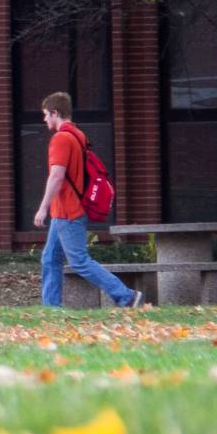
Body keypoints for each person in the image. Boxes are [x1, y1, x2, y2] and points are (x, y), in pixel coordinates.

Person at [34, 92, 143, 309]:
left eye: (46, 115)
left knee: (79, 261)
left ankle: (126, 296)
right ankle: (50, 308)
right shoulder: (77, 134)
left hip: (68, 211)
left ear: (55, 113)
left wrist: (42, 208)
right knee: (49, 258)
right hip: (65, 211)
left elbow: (57, 176)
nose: (45, 120)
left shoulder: (61, 139)